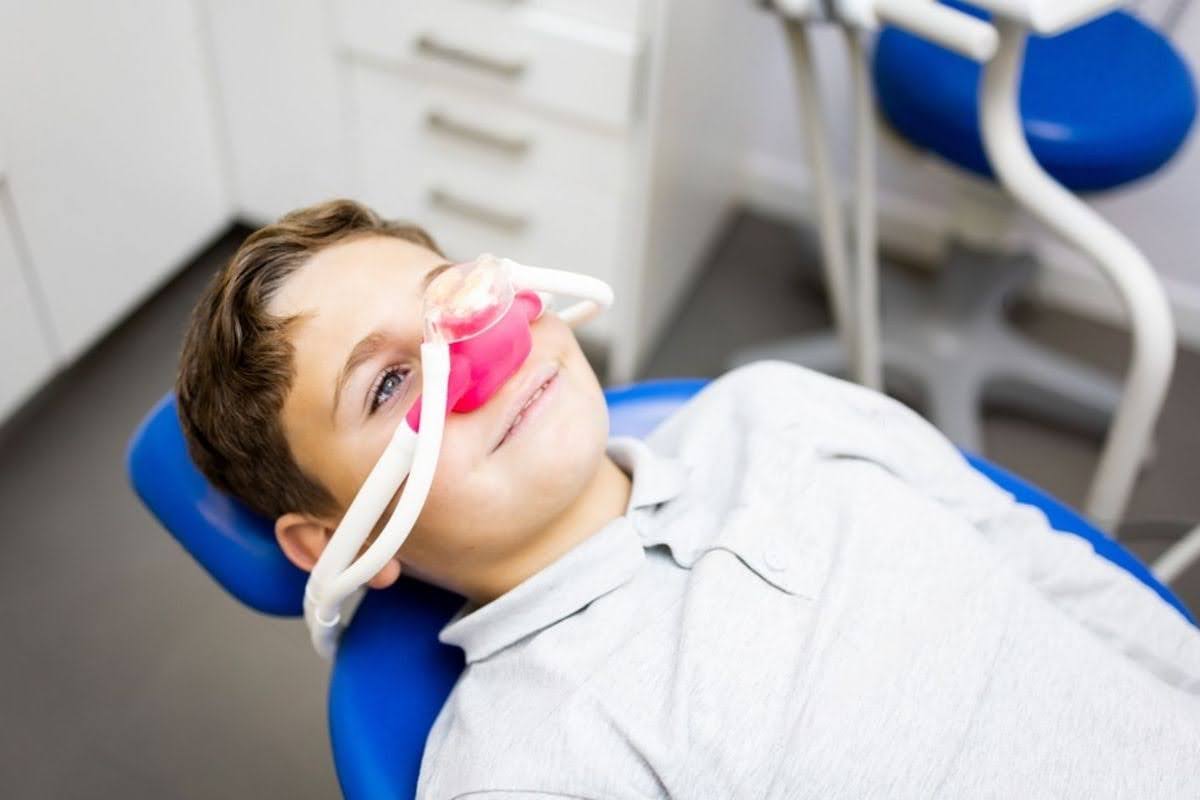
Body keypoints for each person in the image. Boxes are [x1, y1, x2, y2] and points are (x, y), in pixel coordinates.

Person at [177, 199, 1200, 799]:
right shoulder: (528, 759)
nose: (477, 355)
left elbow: (1058, 569)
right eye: (391, 384)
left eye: (455, 302)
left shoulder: (780, 407)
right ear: (335, 542)